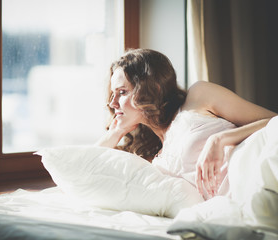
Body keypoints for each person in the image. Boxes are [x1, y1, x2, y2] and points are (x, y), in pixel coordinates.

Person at [97, 49, 277, 199]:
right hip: (244, 205)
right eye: (113, 94)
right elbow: (90, 165)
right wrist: (115, 133)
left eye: (122, 92)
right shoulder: (152, 156)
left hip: (265, 174)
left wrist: (221, 139)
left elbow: (273, 121)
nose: (112, 103)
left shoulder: (198, 96)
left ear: (152, 89)